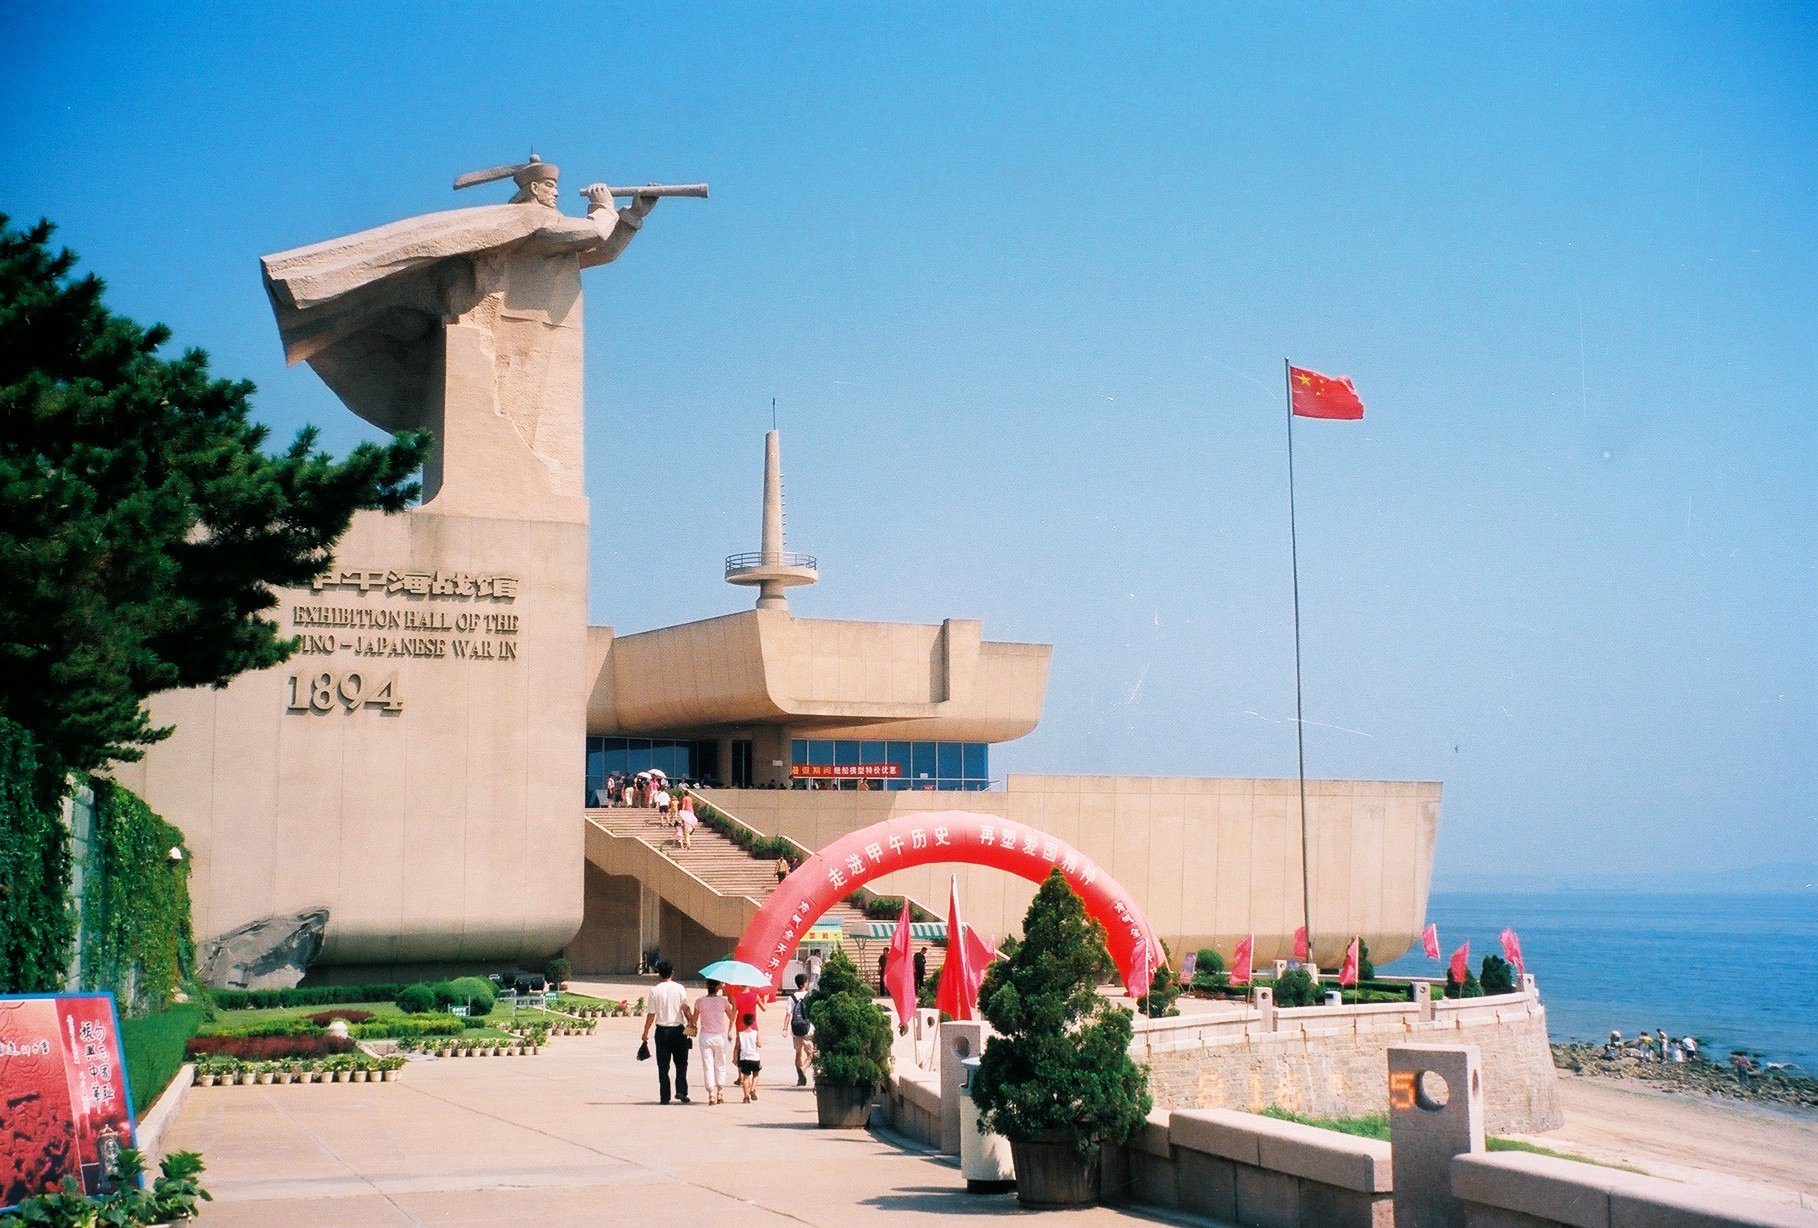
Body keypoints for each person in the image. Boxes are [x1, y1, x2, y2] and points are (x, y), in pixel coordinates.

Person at [640, 960, 692, 1104]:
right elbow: (685, 1008)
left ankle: (664, 1096)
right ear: (672, 973)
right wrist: (691, 1022)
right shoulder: (680, 988)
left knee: (663, 1065)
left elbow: (651, 1013)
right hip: (678, 1030)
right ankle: (681, 1090)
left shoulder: (654, 990)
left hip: (662, 1031)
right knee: (681, 1062)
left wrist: (645, 1032)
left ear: (659, 974)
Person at [694, 979, 734, 1105]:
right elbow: (732, 1017)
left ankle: (711, 1093)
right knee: (720, 1064)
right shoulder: (723, 1001)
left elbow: (694, 1020)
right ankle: (720, 1091)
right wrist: (734, 1003)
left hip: (705, 1036)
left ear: (706, 986)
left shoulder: (700, 1001)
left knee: (707, 1065)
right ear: (718, 987)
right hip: (720, 1037)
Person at [786, 972, 815, 1087]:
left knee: (798, 1052)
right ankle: (803, 1069)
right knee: (811, 1053)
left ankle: (800, 1078)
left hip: (795, 1028)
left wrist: (784, 1028)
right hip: (808, 1028)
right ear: (804, 983)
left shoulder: (791, 997)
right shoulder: (810, 996)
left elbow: (788, 1013)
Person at [736, 1014, 763, 1102]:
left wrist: (735, 1057)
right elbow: (759, 1044)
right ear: (753, 1022)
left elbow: (737, 1047)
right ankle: (752, 1088)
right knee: (756, 1074)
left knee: (745, 1077)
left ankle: (746, 1097)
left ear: (743, 1022)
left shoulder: (740, 1034)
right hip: (754, 1057)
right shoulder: (756, 1033)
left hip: (744, 1058)